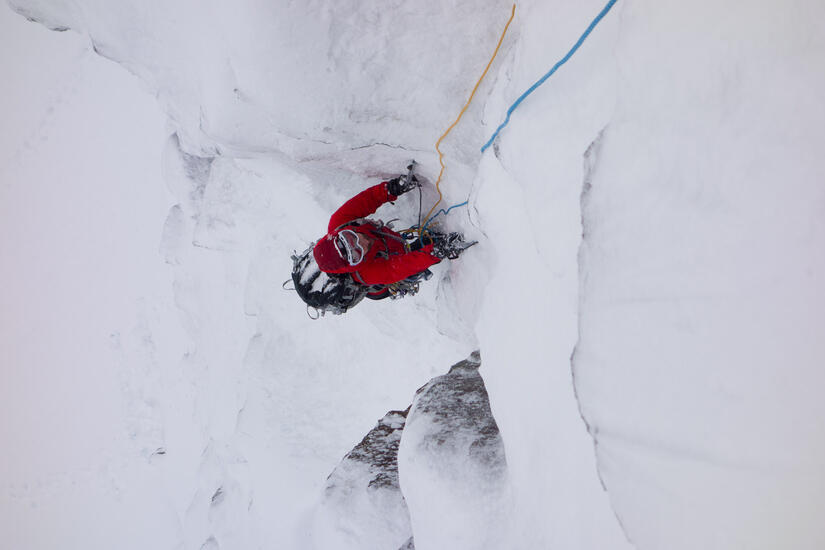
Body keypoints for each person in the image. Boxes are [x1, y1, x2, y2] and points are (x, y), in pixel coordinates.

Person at [307, 170, 472, 303]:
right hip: (382, 284)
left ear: (340, 232)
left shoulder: (339, 221)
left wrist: (390, 189)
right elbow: (405, 265)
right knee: (414, 259)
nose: (362, 242)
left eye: (352, 237)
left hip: (386, 244)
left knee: (411, 249)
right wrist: (437, 251)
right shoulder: (368, 273)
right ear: (353, 265)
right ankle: (431, 242)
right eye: (356, 254)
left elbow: (366, 201)